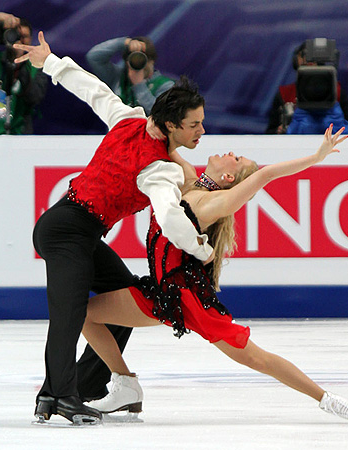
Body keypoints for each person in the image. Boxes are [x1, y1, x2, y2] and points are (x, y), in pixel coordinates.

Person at [81, 125, 348, 424]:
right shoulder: (189, 184)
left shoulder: (212, 204)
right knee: (85, 313)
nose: (231, 153)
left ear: (229, 178)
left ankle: (327, 399)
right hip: (160, 292)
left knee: (256, 358)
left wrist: (315, 157)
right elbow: (167, 147)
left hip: (189, 299)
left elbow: (266, 175)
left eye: (237, 158)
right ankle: (125, 383)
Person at [14, 32, 213, 425]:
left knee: (128, 301)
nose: (201, 132)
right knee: (69, 314)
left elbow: (93, 90)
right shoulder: (160, 169)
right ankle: (61, 396)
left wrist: (51, 62)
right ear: (172, 125)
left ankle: (82, 387)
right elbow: (172, 218)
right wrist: (203, 250)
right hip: (65, 229)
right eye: (194, 125)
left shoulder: (130, 119)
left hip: (80, 231)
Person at [0, 12, 48, 134]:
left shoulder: (36, 68)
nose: (20, 41)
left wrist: (19, 66)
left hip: (17, 134)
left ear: (31, 40)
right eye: (16, 36)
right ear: (6, 36)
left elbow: (35, 97)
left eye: (24, 36)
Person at [265, 41, 348, 135]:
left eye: (312, 56)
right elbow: (270, 131)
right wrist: (279, 131)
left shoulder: (337, 92)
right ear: (296, 59)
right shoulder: (284, 93)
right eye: (304, 55)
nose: (309, 60)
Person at [86, 36, 174, 115]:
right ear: (127, 62)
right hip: (119, 131)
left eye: (142, 60)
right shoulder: (117, 77)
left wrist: (139, 86)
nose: (139, 64)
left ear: (152, 61)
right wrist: (124, 42)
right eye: (134, 59)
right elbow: (93, 57)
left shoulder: (166, 85)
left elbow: (161, 115)